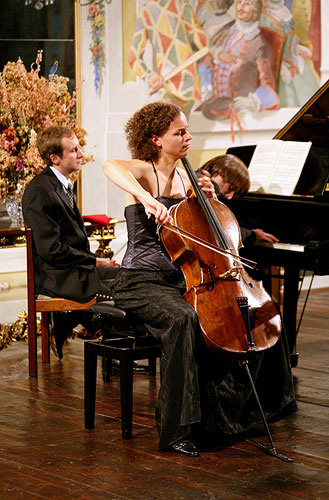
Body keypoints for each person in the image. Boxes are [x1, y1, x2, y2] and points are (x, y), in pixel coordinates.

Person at [102, 101, 297, 457]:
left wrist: (208, 200)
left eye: (187, 129)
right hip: (140, 281)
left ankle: (251, 411)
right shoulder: (145, 171)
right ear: (156, 139)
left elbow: (208, 235)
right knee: (184, 319)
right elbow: (109, 165)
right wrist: (146, 199)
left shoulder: (188, 179)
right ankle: (176, 429)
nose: (188, 137)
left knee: (254, 314)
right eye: (180, 132)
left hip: (181, 280)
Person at [22, 126, 119, 359]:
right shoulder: (40, 190)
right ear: (55, 158)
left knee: (129, 277)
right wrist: (95, 261)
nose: (81, 154)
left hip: (72, 269)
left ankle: (117, 348)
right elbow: (51, 250)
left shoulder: (61, 184)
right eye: (74, 150)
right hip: (56, 276)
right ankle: (116, 353)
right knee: (121, 291)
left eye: (79, 148)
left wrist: (95, 263)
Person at [197, 0, 279, 123]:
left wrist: (252, 101)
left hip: (238, 109)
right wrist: (207, 81)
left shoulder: (260, 44)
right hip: (214, 103)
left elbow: (268, 83)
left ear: (255, 9)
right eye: (240, 2)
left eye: (247, 4)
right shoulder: (228, 32)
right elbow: (208, 56)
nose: (241, 8)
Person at [128, 0, 210, 115]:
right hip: (170, 81)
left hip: (185, 82)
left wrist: (149, 76)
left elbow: (202, 43)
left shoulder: (181, 6)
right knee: (164, 124)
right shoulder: (147, 11)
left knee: (169, 125)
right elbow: (204, 44)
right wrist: (150, 76)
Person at [197, 154, 279, 245]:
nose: (230, 197)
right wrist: (252, 235)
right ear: (221, 172)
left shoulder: (198, 178)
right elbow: (224, 231)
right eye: (231, 188)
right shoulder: (206, 187)